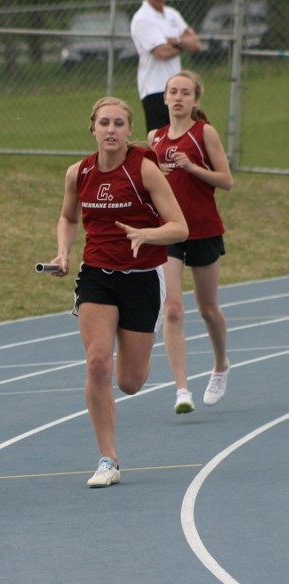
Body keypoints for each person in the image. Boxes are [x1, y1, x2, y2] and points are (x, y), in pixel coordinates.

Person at [49, 96, 188, 487]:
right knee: (96, 362)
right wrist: (63, 253)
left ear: (129, 131)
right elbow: (66, 216)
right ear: (92, 128)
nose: (111, 130)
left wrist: (149, 233)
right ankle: (107, 459)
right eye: (104, 123)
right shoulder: (79, 172)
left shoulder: (144, 171)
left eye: (118, 124)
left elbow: (180, 227)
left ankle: (143, 342)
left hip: (143, 276)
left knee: (129, 382)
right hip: (97, 274)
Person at [147, 70, 234, 414]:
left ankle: (220, 365)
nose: (179, 97)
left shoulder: (204, 133)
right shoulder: (154, 138)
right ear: (165, 98)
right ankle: (182, 390)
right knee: (171, 309)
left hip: (203, 229)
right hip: (169, 230)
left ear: (195, 100)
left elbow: (227, 181)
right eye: (173, 92)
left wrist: (193, 167)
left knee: (208, 309)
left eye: (186, 92)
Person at [130, 0, 201, 133]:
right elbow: (162, 52)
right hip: (155, 89)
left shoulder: (172, 14)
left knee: (183, 136)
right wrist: (183, 45)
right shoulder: (142, 18)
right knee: (160, 141)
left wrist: (175, 41)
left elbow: (196, 44)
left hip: (178, 88)